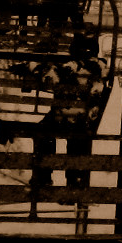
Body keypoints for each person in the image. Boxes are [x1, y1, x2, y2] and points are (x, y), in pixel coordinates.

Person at [30, 33, 106, 219]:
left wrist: (69, 67)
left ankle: (70, 181)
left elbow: (98, 72)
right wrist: (39, 68)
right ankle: (48, 177)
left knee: (75, 141)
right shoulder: (69, 68)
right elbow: (52, 77)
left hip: (79, 117)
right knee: (45, 134)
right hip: (63, 115)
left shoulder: (96, 67)